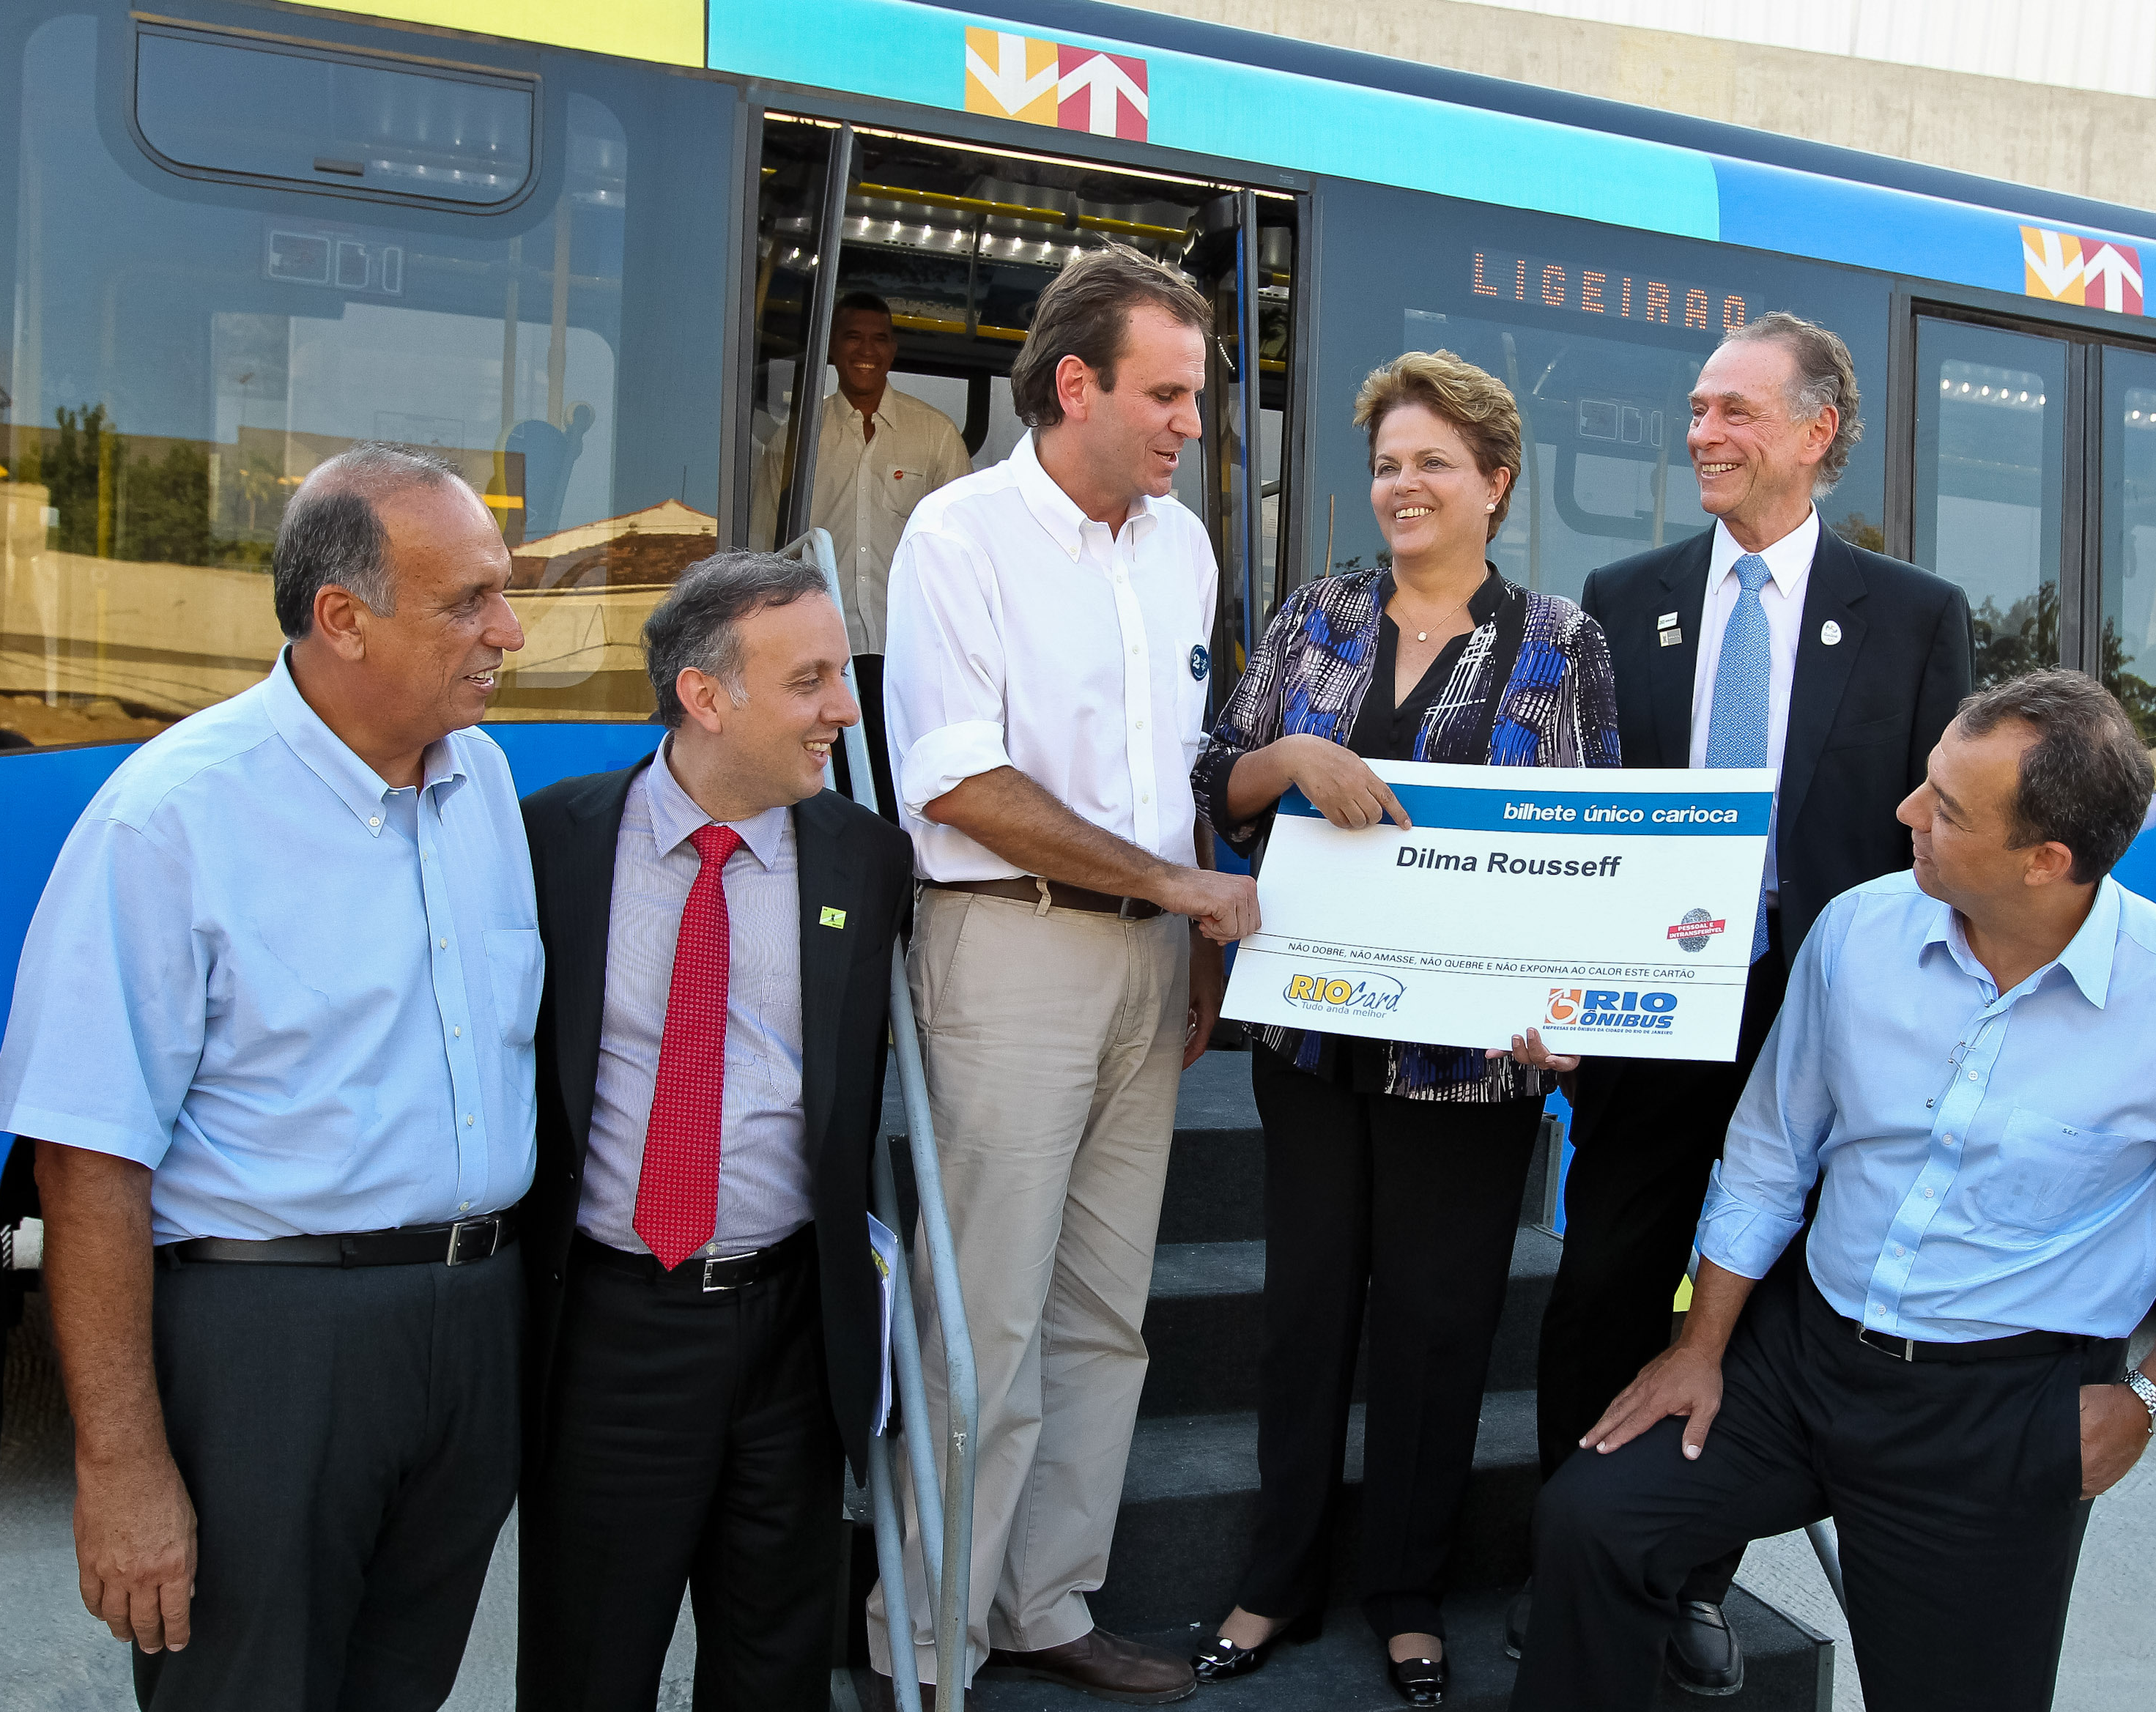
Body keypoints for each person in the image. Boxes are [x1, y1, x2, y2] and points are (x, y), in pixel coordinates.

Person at [1512, 670, 2156, 1712]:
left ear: (2044, 862)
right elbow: (1771, 1151)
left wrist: (2148, 1403)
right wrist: (1701, 1347)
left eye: (1944, 809)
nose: (1906, 812)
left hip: (1997, 1408)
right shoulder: (1858, 931)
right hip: (1796, 1359)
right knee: (1594, 1520)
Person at [0, 445, 537, 1708]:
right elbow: (87, 1161)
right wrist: (121, 1464)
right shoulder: (171, 819)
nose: (505, 630)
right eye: (467, 600)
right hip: (269, 1346)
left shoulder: (486, 787)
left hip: (471, 1327)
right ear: (341, 617)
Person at [1524, 310, 1972, 1692]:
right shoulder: (1624, 590)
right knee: (1603, 1283)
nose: (1702, 434)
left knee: (1762, 1306)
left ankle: (1694, 1573)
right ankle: (1576, 1566)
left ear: (1815, 431)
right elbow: (1584, 822)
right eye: (1699, 410)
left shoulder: (1915, 618)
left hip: (1822, 1024)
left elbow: (1929, 852)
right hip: (1657, 1017)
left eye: (1735, 412)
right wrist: (1559, 988)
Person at [1188, 351, 1620, 1708]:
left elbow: (1588, 843)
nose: (1403, 485)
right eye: (1386, 463)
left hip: (1474, 1066)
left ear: (1495, 483)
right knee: (1305, 1315)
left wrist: (1563, 1019)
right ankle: (1276, 1576)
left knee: (1437, 1327)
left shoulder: (1562, 641)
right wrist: (1292, 763)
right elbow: (1220, 774)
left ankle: (1409, 1591)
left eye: (1434, 462)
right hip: (1314, 1046)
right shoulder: (1317, 616)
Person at [871, 243, 1259, 1705]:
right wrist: (1173, 883)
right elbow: (960, 782)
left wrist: (1184, 939)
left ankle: (1045, 1603)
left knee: (1105, 1311)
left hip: (1147, 969)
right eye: (1168, 394)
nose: (1190, 425)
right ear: (1075, 381)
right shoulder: (960, 534)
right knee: (987, 1314)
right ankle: (926, 1647)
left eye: (1200, 397)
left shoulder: (1185, 545)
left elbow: (1175, 773)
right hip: (1008, 945)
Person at [514, 552, 914, 1710]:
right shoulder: (559, 841)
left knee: (775, 1669)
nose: (845, 707)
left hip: (793, 1330)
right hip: (613, 1332)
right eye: (811, 682)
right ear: (705, 695)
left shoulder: (863, 858)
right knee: (591, 1663)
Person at [808, 289, 973, 823]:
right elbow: (769, 551)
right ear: (832, 347)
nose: (866, 350)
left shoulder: (936, 436)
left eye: (879, 338)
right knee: (830, 807)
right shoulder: (800, 439)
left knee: (907, 804)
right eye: (853, 336)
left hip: (910, 655)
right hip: (819, 660)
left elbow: (968, 558)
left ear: (893, 350)